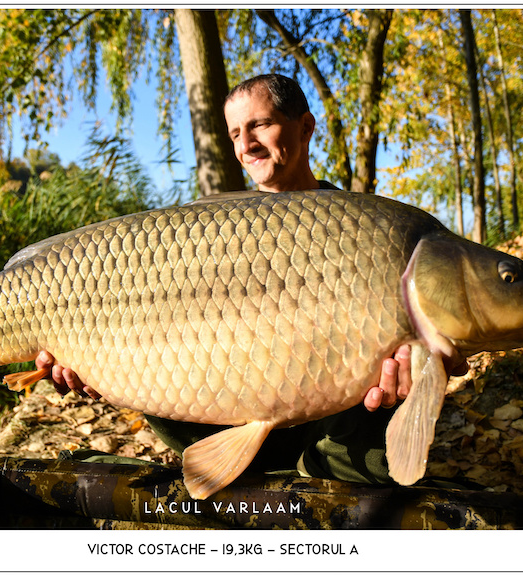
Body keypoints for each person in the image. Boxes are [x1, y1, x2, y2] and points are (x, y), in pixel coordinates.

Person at [36, 73, 462, 484]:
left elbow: (449, 344)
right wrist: (87, 360)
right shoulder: (206, 229)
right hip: (223, 414)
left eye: (260, 125)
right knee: (156, 349)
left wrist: (435, 360)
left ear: (305, 127)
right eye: (235, 133)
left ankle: (311, 472)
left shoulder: (364, 224)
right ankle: (245, 469)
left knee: (376, 410)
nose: (247, 145)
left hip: (330, 431)